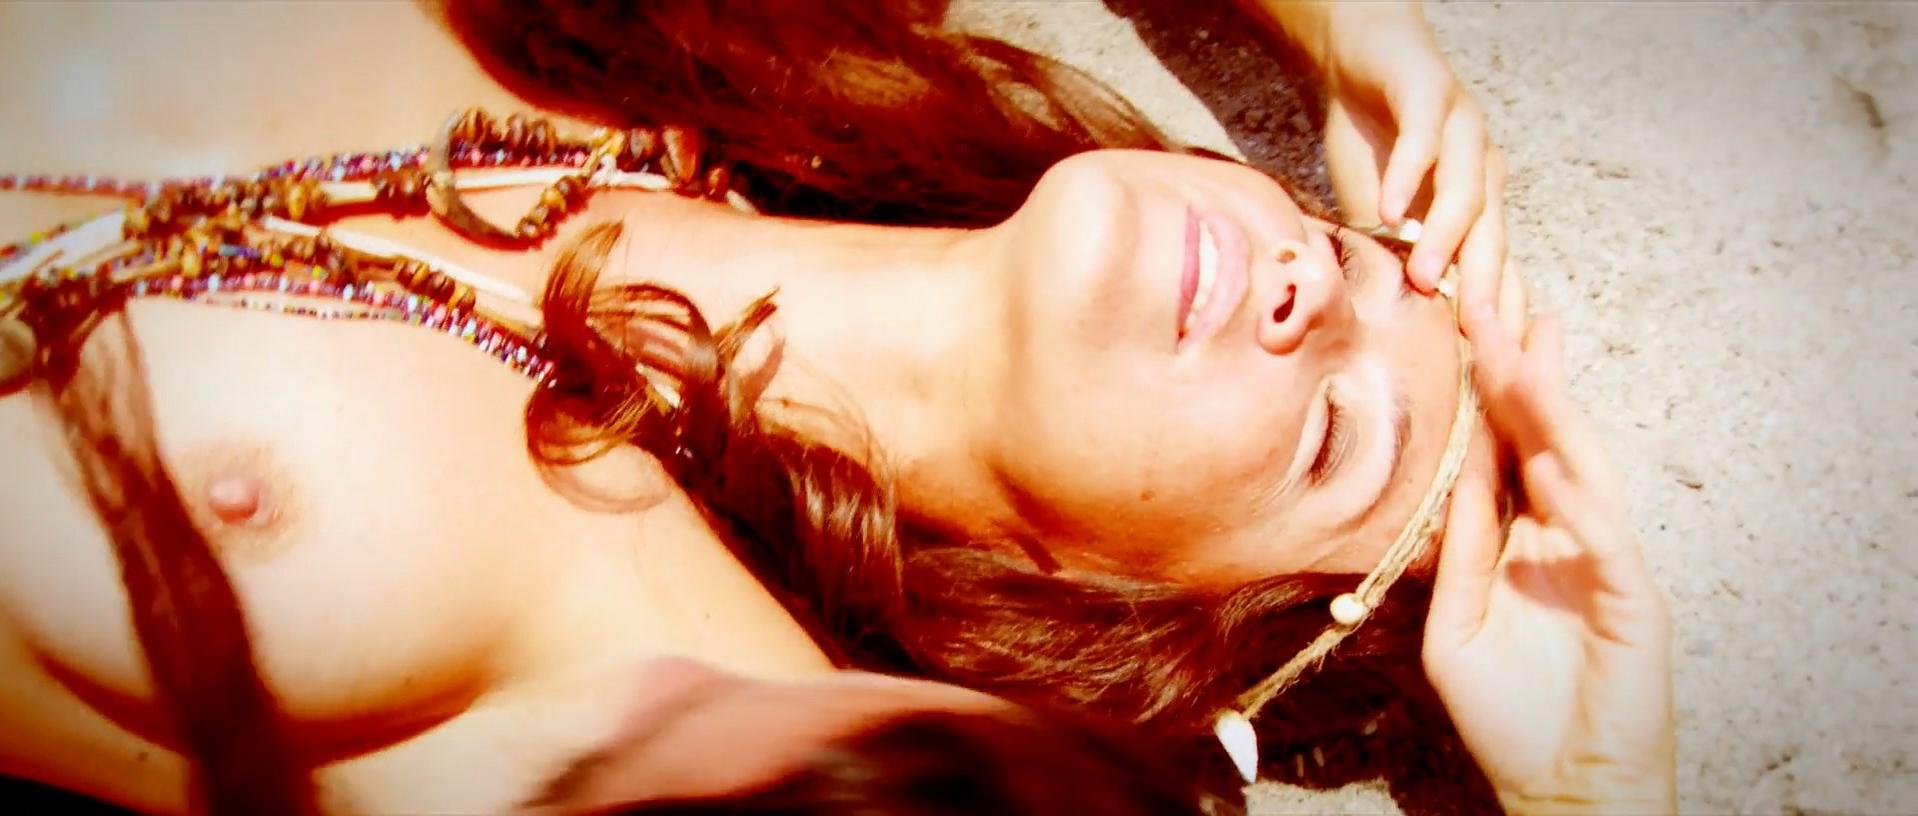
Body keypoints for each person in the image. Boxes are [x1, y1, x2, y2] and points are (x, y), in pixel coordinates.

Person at [0, 1, 1672, 814]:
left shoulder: (681, 687)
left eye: (1330, 434)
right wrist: (1361, 40)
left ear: (1142, 636)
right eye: (1342, 251)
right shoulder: (745, 44)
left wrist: (1595, 806)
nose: (1311, 290)